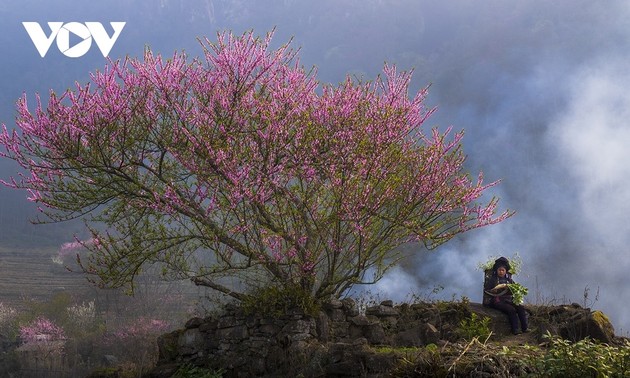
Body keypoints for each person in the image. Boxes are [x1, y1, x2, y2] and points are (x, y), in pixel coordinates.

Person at [484, 256, 528, 335]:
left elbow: (515, 288)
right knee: (511, 310)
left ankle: (525, 328)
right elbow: (486, 290)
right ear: (497, 270)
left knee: (521, 307)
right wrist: (493, 290)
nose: (501, 272)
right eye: (499, 270)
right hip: (497, 301)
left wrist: (515, 290)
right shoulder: (493, 279)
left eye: (502, 270)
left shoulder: (509, 280)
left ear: (505, 271)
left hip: (508, 300)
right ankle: (515, 330)